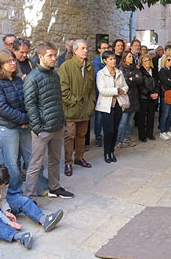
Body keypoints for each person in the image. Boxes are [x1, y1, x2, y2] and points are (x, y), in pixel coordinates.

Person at [0, 49, 47, 196]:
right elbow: (2, 109)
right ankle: (15, 192)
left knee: (32, 157)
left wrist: (29, 118)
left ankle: (39, 187)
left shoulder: (17, 80)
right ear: (0, 64)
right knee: (12, 163)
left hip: (23, 126)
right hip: (7, 128)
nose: (13, 63)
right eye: (8, 61)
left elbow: (26, 101)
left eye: (13, 60)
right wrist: (23, 119)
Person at [23, 42, 73, 199]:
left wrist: (62, 120)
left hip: (57, 126)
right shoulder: (32, 78)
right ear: (40, 57)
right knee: (35, 164)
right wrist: (37, 128)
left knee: (55, 159)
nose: (53, 59)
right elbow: (30, 104)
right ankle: (29, 197)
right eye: (49, 56)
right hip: (42, 129)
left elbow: (58, 100)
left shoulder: (55, 75)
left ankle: (55, 187)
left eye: (54, 55)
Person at [0, 165, 64, 250]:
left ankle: (44, 219)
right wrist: (9, 222)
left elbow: (2, 198)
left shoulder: (4, 183)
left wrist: (7, 211)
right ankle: (18, 237)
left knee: (23, 200)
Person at [58, 39, 96, 177]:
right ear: (75, 51)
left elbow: (92, 88)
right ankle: (68, 162)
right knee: (70, 136)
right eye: (83, 48)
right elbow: (63, 89)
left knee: (82, 135)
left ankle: (79, 157)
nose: (86, 50)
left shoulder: (89, 66)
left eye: (86, 48)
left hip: (85, 108)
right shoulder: (66, 67)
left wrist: (91, 103)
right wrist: (73, 102)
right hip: (71, 109)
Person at [96, 51, 128, 162]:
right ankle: (106, 152)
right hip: (106, 106)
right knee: (108, 130)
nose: (113, 61)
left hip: (118, 104)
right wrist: (116, 90)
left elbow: (125, 85)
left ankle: (112, 151)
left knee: (115, 130)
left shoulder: (118, 72)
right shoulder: (101, 73)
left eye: (114, 59)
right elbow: (102, 90)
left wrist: (123, 90)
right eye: (110, 59)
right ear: (105, 61)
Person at [116, 51, 143, 148]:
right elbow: (126, 82)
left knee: (130, 122)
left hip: (134, 97)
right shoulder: (121, 69)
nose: (131, 58)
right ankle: (119, 140)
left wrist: (133, 79)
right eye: (129, 57)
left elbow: (140, 79)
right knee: (123, 121)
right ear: (124, 58)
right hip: (125, 98)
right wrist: (133, 79)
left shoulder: (134, 68)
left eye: (132, 57)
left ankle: (127, 138)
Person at [137, 54, 158, 142]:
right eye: (145, 61)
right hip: (144, 97)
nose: (148, 62)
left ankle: (150, 133)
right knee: (142, 117)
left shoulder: (153, 70)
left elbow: (157, 82)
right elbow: (141, 86)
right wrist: (150, 94)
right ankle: (142, 135)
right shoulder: (140, 72)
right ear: (142, 63)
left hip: (153, 96)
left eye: (149, 60)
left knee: (151, 116)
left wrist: (156, 92)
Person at [92, 40, 109, 147]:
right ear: (99, 49)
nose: (106, 50)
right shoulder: (96, 62)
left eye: (107, 48)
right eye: (103, 48)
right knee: (99, 117)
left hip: (109, 93)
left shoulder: (110, 60)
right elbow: (98, 76)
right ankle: (98, 136)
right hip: (100, 93)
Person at [158, 54, 171, 140]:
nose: (170, 62)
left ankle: (167, 130)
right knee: (165, 114)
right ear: (164, 61)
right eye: (168, 60)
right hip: (165, 95)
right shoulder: (162, 71)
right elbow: (168, 83)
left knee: (170, 114)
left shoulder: (170, 71)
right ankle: (163, 131)